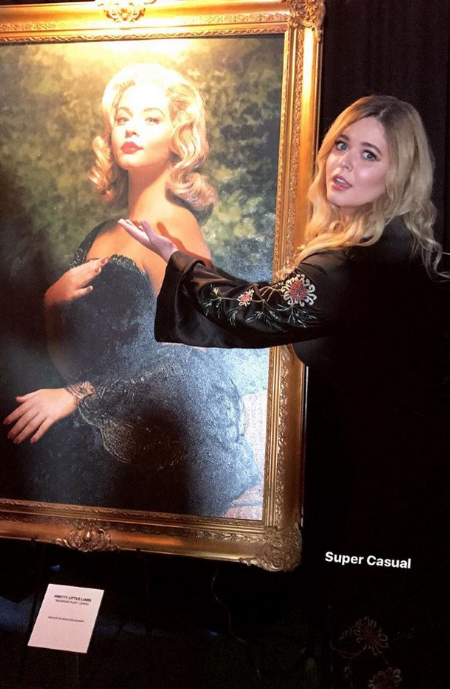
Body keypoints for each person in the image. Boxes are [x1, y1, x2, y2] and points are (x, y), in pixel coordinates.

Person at [118, 95, 450, 687]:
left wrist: (180, 261)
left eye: (369, 154)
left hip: (378, 490)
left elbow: (255, 311)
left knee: (368, 631)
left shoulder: (344, 269)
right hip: (413, 481)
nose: (343, 163)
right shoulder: (413, 252)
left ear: (399, 173)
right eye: (341, 145)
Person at [3, 63, 259, 516]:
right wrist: (51, 300)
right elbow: (71, 353)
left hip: (152, 435)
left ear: (177, 138)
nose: (132, 128)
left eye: (151, 118)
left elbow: (192, 356)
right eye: (123, 118)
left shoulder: (172, 224)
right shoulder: (105, 231)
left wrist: (77, 395)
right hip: (97, 415)